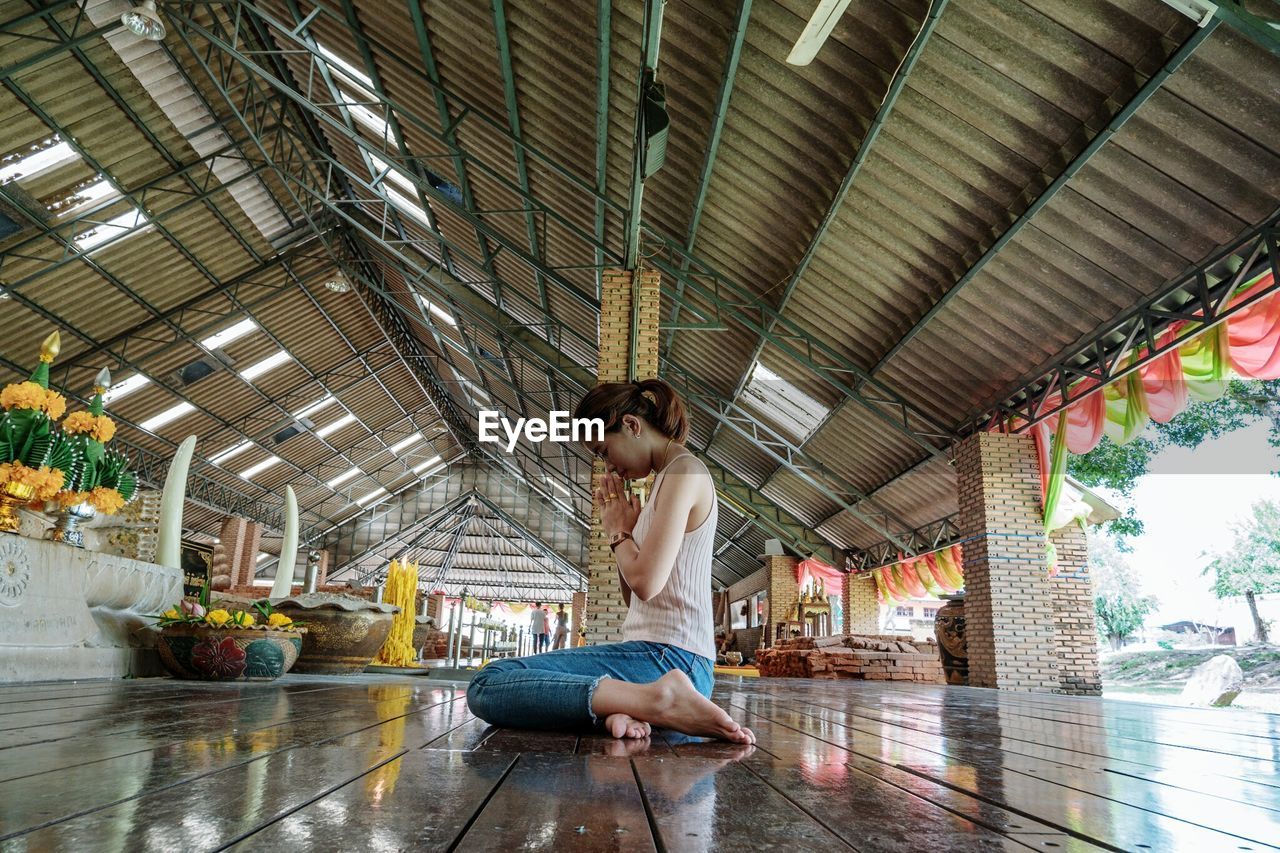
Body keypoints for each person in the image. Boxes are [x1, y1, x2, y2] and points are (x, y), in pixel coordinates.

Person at [466, 378, 754, 743]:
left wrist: (618, 533)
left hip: (672, 659)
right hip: (656, 655)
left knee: (487, 683)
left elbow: (646, 583)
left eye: (604, 450)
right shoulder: (666, 479)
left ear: (632, 425)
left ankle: (660, 700)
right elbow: (633, 598)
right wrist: (625, 534)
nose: (609, 467)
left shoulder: (685, 472)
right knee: (514, 682)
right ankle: (630, 707)